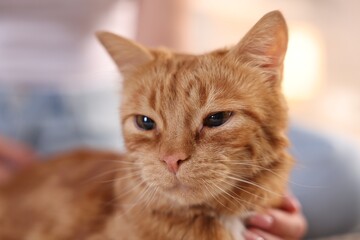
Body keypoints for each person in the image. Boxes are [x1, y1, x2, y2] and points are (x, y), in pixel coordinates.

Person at [1, 0, 359, 239]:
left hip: (87, 97)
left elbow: (172, 74)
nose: (174, 155)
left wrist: (256, 184)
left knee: (348, 171)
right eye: (146, 123)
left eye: (216, 118)